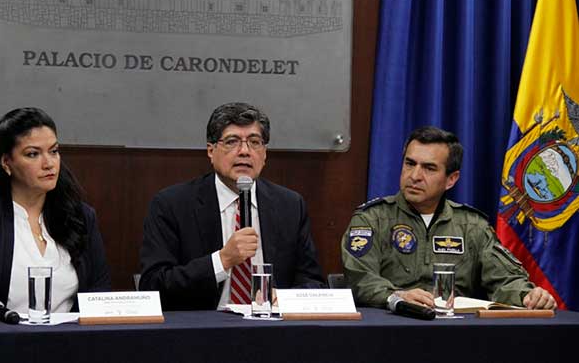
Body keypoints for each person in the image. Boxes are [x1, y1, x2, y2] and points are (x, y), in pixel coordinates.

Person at [342, 126, 556, 310]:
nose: (415, 175)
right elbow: (360, 278)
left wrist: (526, 296)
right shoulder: (372, 219)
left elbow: (505, 278)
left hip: (458, 333)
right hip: (393, 328)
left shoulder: (472, 225)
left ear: (451, 180)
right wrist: (396, 296)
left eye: (429, 168)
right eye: (410, 163)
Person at [139, 102, 325, 310]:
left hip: (272, 329)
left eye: (254, 142)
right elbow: (153, 286)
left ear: (264, 153)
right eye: (232, 141)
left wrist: (286, 300)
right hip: (201, 331)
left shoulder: (290, 205)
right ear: (211, 151)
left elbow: (312, 281)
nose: (244, 151)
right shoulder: (172, 205)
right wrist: (222, 260)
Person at [0, 107, 111, 315]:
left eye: (54, 151)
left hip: (69, 342)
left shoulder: (81, 217)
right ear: (6, 162)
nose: (49, 163)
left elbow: (99, 290)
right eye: (33, 154)